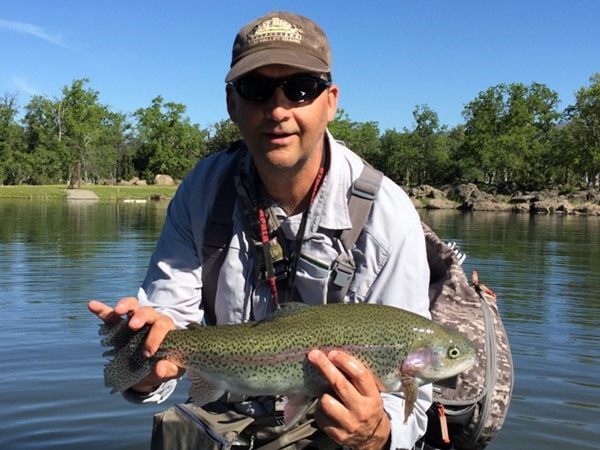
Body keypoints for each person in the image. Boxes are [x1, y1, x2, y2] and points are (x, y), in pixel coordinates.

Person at [89, 10, 431, 450]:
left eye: (301, 88)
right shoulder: (202, 192)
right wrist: (144, 369)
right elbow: (167, 330)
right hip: (228, 406)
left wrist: (379, 435)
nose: (278, 109)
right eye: (256, 88)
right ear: (232, 103)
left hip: (331, 425)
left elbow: (414, 405)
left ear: (330, 100)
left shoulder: (388, 215)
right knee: (174, 429)